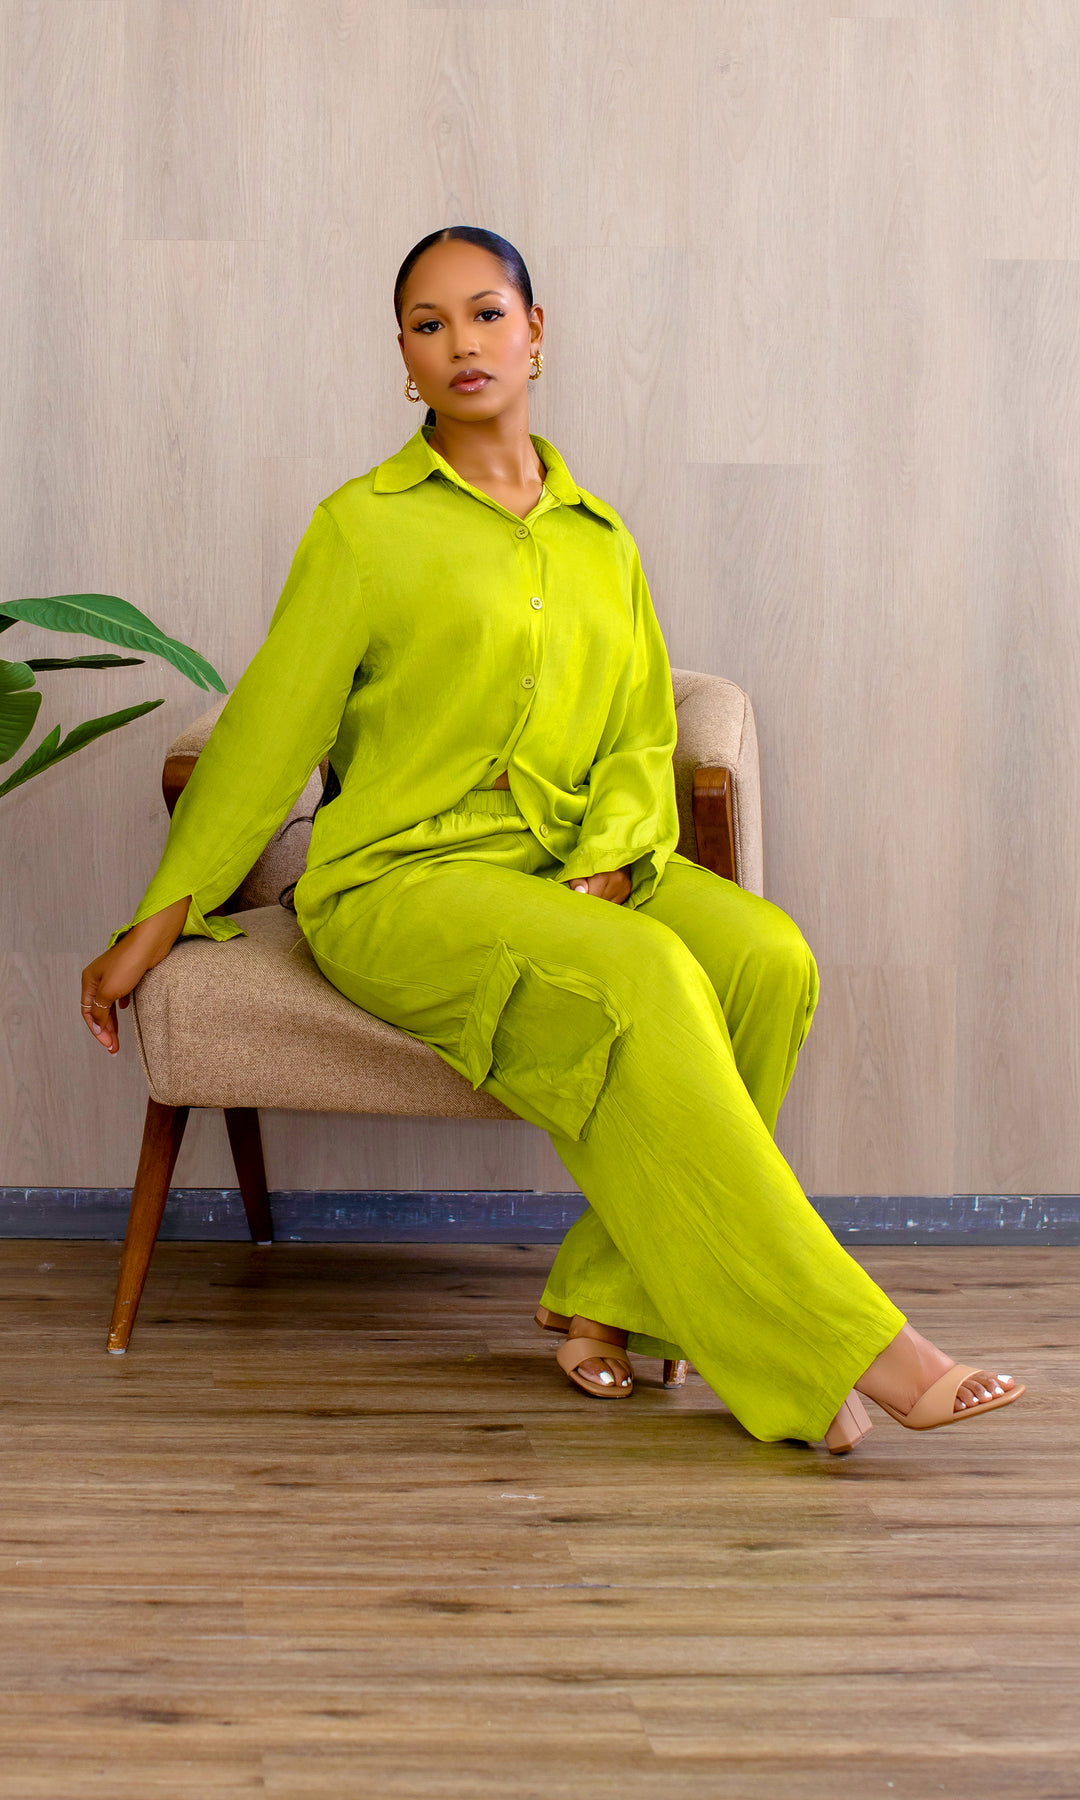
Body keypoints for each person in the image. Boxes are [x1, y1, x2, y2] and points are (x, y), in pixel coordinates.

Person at [80, 225, 1023, 1453]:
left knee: (766, 958)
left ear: (536, 333)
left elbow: (639, 730)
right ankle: (855, 1349)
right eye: (429, 324)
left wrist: (617, 853)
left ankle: (603, 1302)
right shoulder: (360, 529)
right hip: (401, 883)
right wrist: (156, 921)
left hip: (568, 857)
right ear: (404, 359)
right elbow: (267, 734)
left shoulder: (600, 538)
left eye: (486, 313)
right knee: (643, 974)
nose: (462, 343)